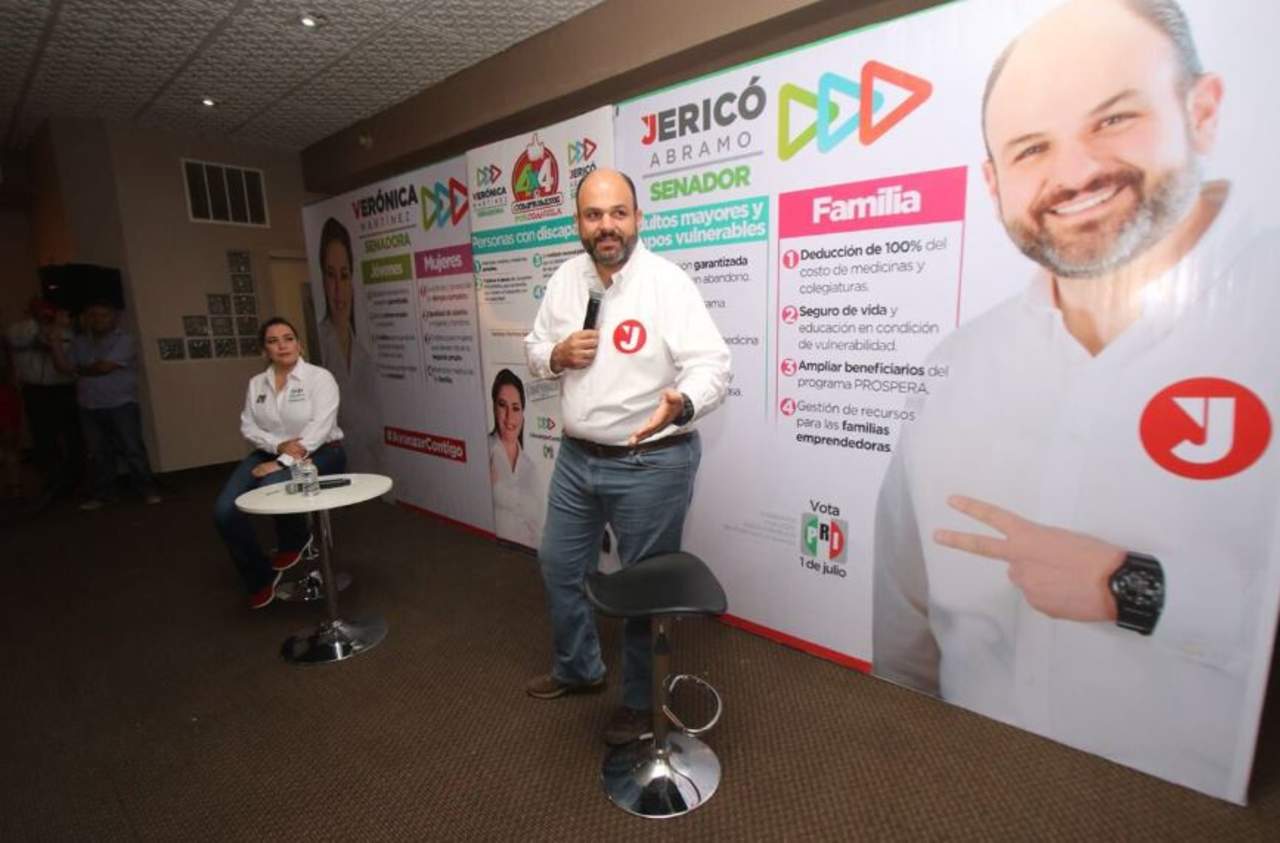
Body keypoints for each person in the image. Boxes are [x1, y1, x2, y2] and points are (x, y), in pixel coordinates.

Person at [872, 0, 1279, 800]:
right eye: (1032, 148)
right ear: (994, 182)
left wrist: (1137, 589)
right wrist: (901, 758)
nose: (1075, 172)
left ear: (1202, 111)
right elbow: (906, 614)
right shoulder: (958, 366)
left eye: (1113, 118)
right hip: (965, 784)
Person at [523, 168, 731, 745]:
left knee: (643, 591)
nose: (606, 226)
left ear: (638, 218)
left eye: (618, 213)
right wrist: (556, 355)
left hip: (650, 462)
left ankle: (641, 703)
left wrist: (683, 402)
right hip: (576, 460)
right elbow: (534, 349)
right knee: (559, 565)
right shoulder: (565, 280)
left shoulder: (666, 282)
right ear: (578, 223)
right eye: (594, 215)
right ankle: (579, 669)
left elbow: (712, 364)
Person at [213, 317, 345, 609]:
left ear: (299, 344)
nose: (282, 346)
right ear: (265, 351)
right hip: (270, 452)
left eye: (288, 338)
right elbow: (249, 427)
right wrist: (277, 447)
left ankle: (296, 538)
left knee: (272, 484)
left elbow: (319, 429)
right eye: (273, 341)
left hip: (323, 451)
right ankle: (259, 578)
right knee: (224, 511)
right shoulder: (256, 384)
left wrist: (283, 462)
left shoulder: (319, 378)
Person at [50, 301, 160, 509]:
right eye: (93, 315)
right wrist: (55, 342)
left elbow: (104, 368)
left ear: (114, 318)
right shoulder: (80, 342)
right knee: (98, 452)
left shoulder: (124, 340)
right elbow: (63, 368)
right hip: (89, 405)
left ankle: (147, 490)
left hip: (121, 404)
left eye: (103, 315)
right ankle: (104, 494)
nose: (98, 320)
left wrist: (79, 370)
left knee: (132, 449)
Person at [315, 217, 383, 475]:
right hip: (334, 473)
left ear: (352, 280)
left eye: (344, 276)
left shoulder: (365, 355)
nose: (337, 289)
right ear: (322, 279)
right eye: (330, 275)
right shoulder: (316, 347)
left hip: (370, 476)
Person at [5, 297, 82, 502]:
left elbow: (66, 352)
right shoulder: (18, 329)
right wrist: (39, 324)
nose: (44, 313)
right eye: (38, 309)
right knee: (43, 436)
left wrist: (56, 327)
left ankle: (75, 480)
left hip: (63, 388)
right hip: (35, 390)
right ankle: (52, 480)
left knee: (72, 435)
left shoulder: (68, 330)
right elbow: (23, 340)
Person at [488, 368, 541, 548]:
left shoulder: (530, 467)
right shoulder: (484, 451)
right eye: (502, 405)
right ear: (494, 407)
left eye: (516, 408)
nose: (509, 417)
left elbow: (537, 523)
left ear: (523, 413)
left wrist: (499, 490)